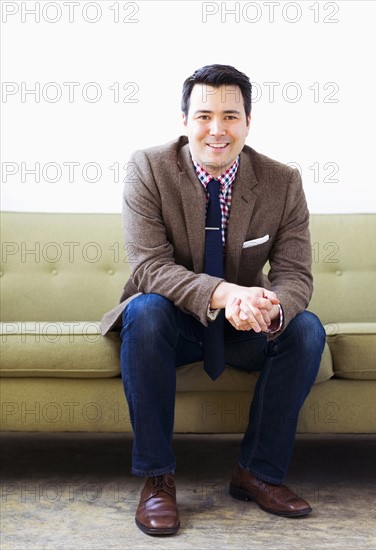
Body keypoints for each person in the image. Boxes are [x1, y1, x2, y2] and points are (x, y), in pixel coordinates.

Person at [101, 64, 326, 536]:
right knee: (145, 309)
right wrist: (226, 294)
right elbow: (149, 267)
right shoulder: (149, 168)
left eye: (231, 116)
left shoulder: (282, 181)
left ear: (248, 123)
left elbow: (295, 275)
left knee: (305, 328)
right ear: (184, 122)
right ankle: (157, 479)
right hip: (172, 325)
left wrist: (268, 307)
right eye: (204, 115)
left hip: (243, 328)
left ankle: (257, 474)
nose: (217, 130)